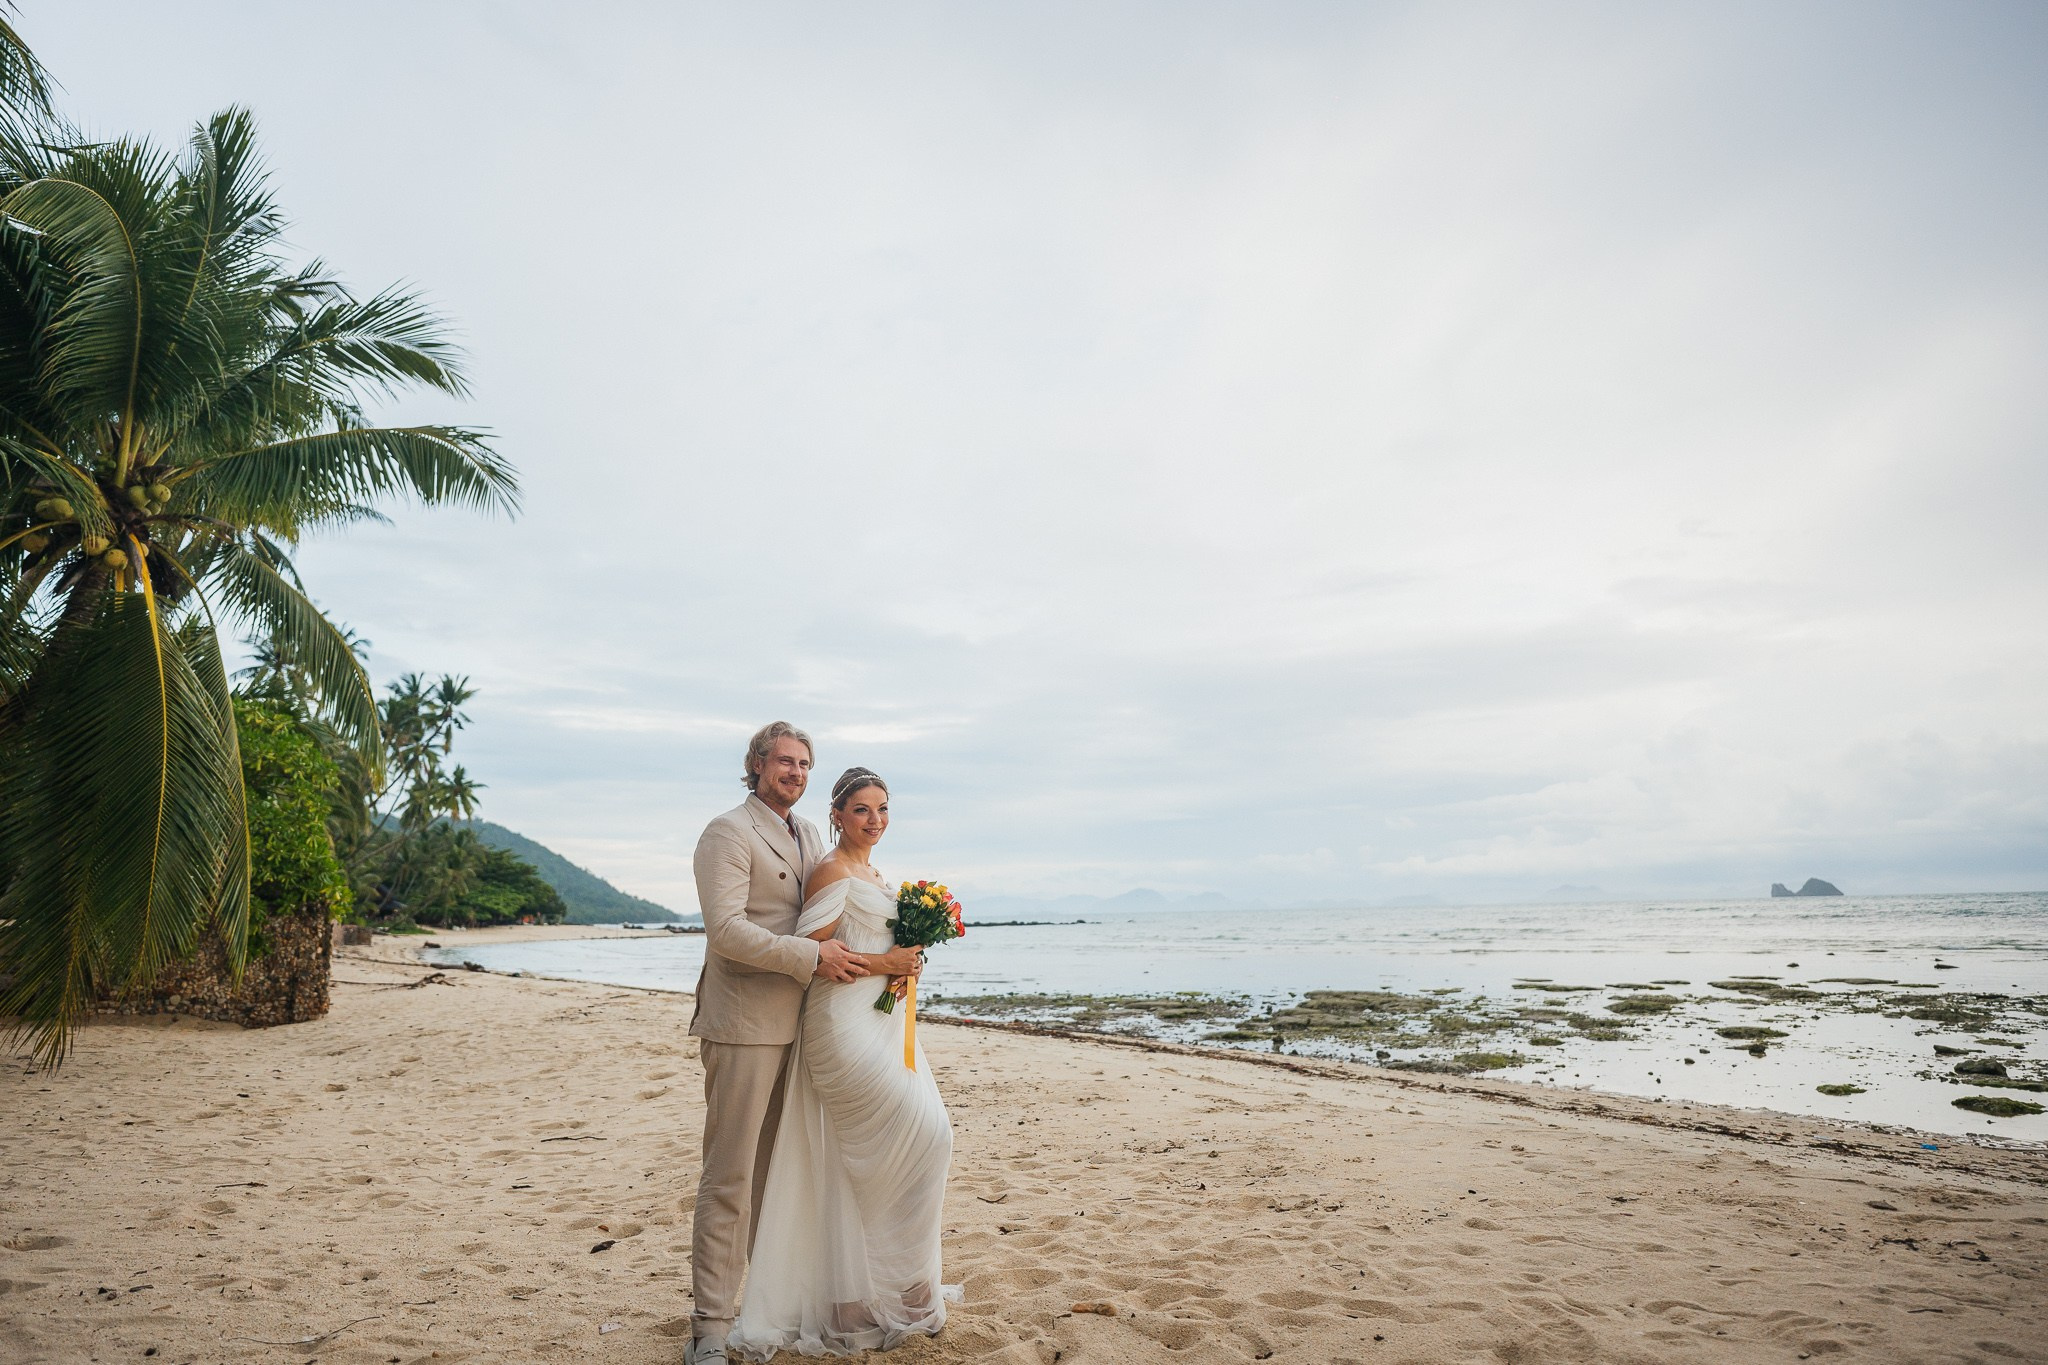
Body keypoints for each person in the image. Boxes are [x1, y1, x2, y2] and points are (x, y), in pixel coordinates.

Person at [687, 726, 922, 1365]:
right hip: (744, 1021)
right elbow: (726, 930)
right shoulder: (728, 832)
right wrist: (811, 956)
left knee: (784, 1173)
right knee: (731, 1175)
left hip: (809, 1024)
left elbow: (832, 913)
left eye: (804, 764)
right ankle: (709, 1327)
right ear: (757, 764)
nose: (795, 771)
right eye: (784, 761)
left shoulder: (808, 837)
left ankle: (776, 1305)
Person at [728, 766, 958, 1360]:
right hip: (840, 1026)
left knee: (900, 1149)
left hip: (880, 1024)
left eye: (883, 809)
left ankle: (875, 1292)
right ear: (837, 816)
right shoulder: (831, 870)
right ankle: (863, 1296)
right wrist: (888, 965)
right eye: (862, 809)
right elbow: (819, 954)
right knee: (922, 1135)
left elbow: (878, 948)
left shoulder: (873, 871)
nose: (875, 820)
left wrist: (905, 965)